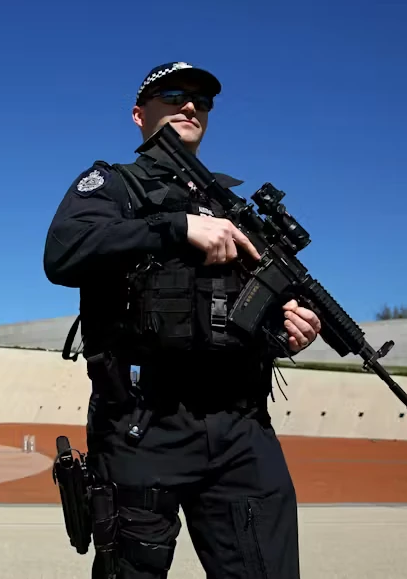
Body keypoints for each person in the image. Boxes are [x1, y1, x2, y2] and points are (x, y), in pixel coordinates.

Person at [43, 61, 322, 579]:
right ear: (138, 113)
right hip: (143, 423)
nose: (190, 106)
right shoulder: (112, 186)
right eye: (172, 95)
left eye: (202, 99)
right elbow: (64, 253)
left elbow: (238, 311)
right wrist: (175, 228)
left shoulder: (234, 208)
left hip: (241, 427)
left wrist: (286, 327)